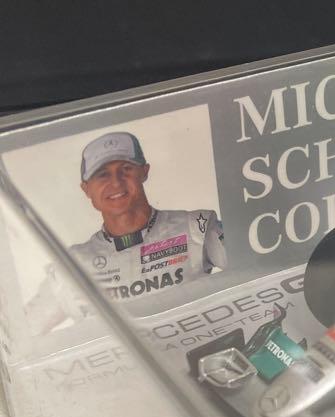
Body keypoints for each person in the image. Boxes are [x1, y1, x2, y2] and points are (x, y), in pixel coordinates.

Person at [25, 131, 227, 332]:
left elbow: (247, 274)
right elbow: (24, 334)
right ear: (86, 189)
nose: (116, 182)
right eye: (102, 174)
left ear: (144, 171)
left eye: (126, 169)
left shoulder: (197, 227)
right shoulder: (72, 266)